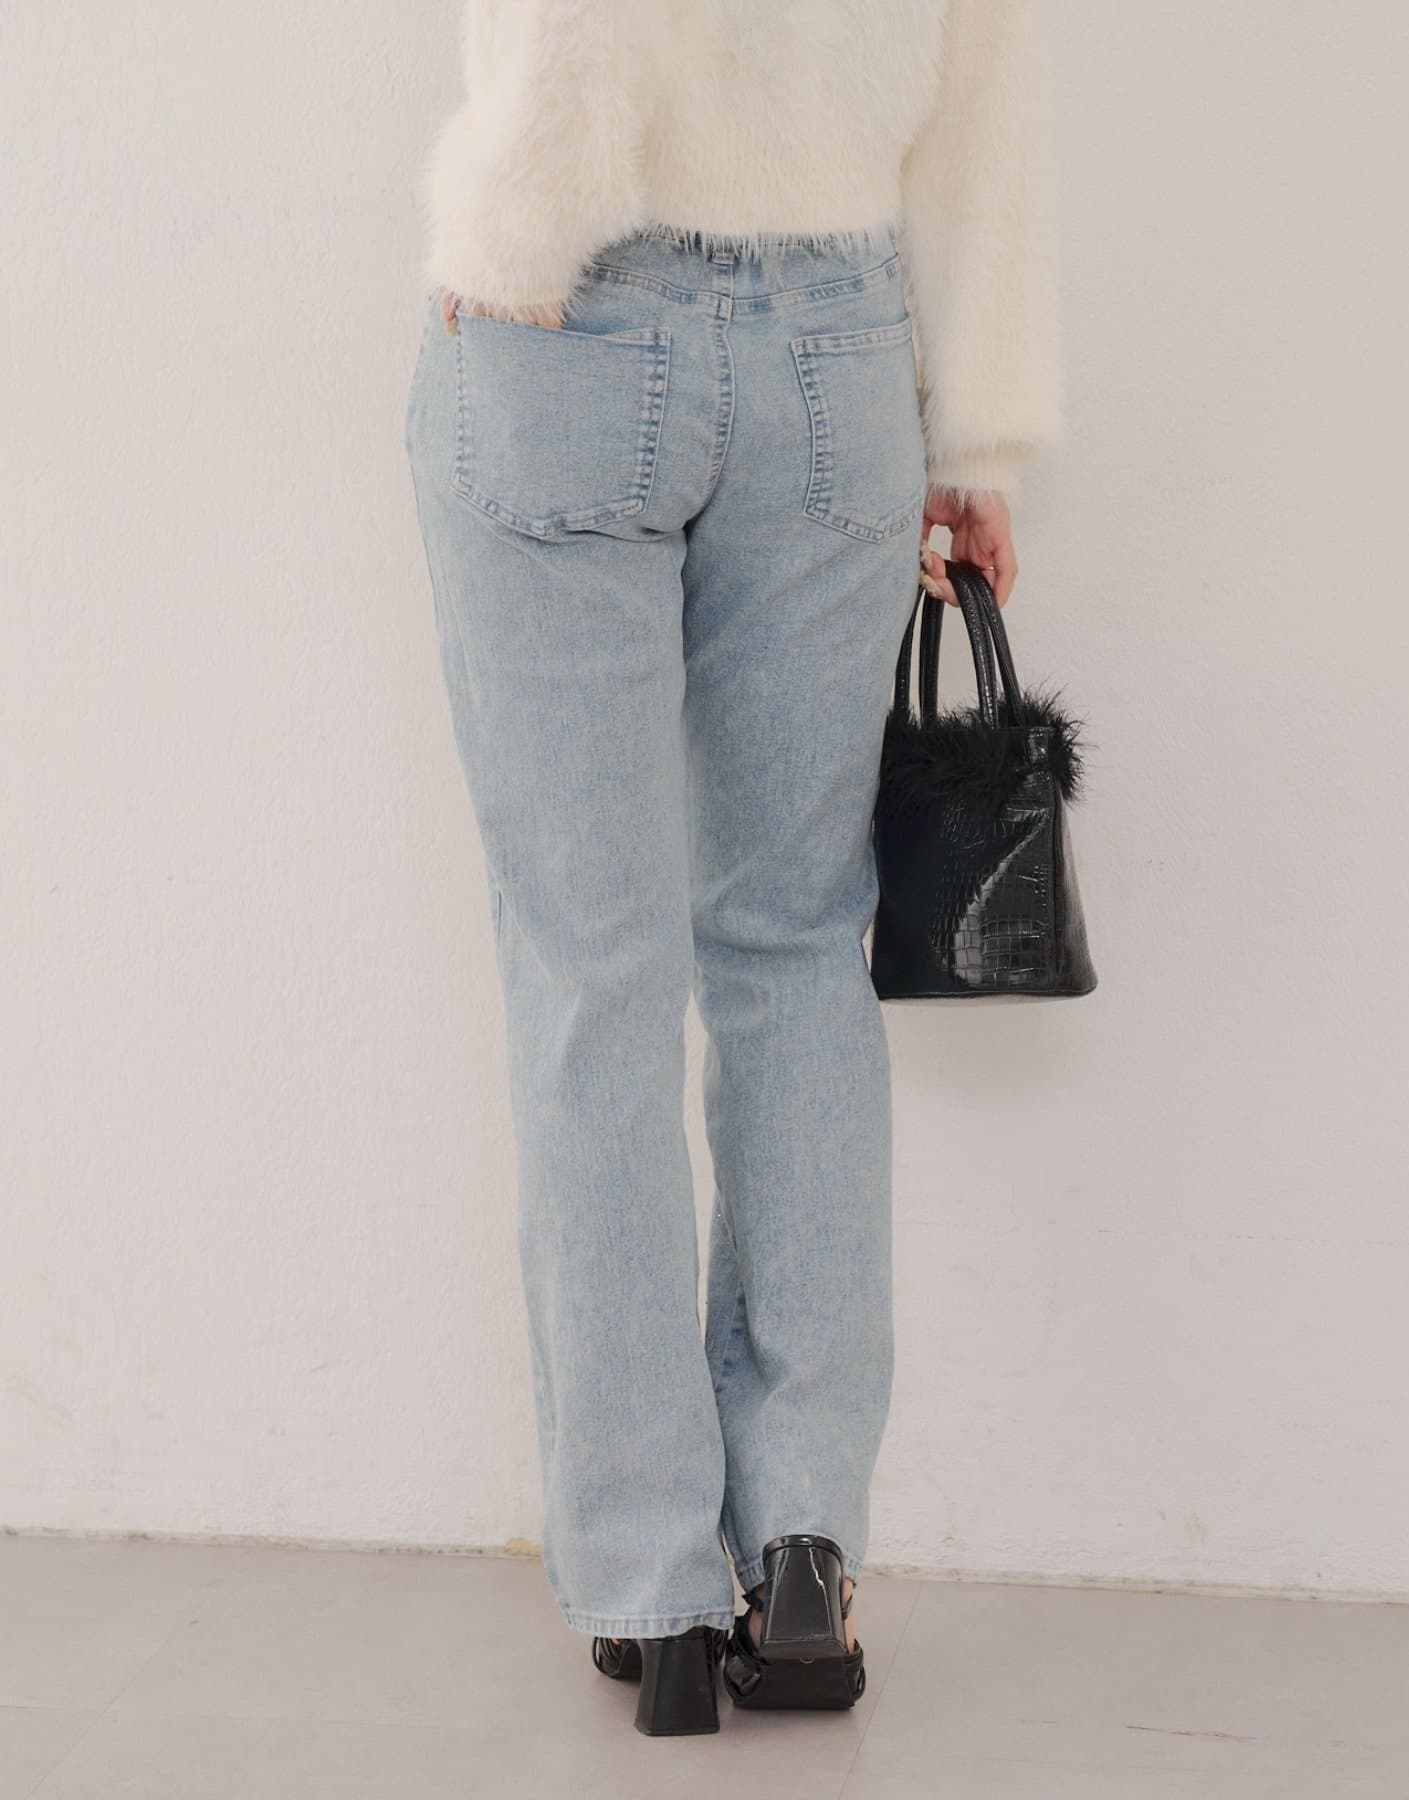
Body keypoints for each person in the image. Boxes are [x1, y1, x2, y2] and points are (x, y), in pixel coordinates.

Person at [405, 0, 1060, 1736]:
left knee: (594, 969)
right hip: (841, 353)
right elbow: (986, 77)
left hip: (579, 321)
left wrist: (514, 224)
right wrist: (976, 434)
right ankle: (800, 1543)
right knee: (793, 948)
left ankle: (654, 1584)